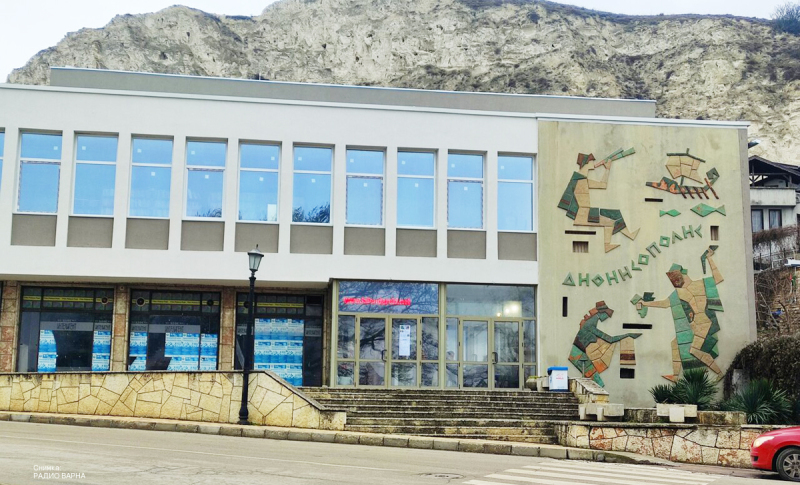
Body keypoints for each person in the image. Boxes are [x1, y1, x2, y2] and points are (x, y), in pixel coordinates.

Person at [636, 247, 723, 382]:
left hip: (703, 322)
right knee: (675, 344)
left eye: (676, 276)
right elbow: (665, 303)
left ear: (683, 274)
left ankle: (719, 373)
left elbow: (717, 278)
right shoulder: (679, 292)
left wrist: (709, 258)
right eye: (672, 278)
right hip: (692, 324)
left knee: (694, 350)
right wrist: (646, 303)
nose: (674, 281)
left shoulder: (700, 284)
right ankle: (676, 376)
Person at [558, 149, 639, 252]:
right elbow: (580, 201)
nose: (594, 162)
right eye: (591, 161)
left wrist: (607, 169)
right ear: (586, 163)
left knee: (616, 213)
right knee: (610, 222)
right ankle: (607, 245)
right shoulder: (579, 180)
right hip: (583, 214)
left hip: (586, 212)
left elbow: (602, 185)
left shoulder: (581, 179)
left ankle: (628, 235)